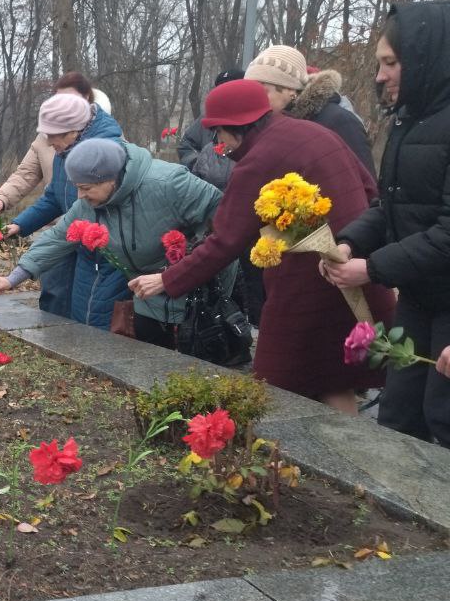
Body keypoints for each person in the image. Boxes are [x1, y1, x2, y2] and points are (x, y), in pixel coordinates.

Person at [128, 79, 394, 412]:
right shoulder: (316, 133)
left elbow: (225, 240)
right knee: (332, 379)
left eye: (219, 133)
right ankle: (342, 455)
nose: (219, 143)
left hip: (309, 285)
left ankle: (292, 456)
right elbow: (370, 189)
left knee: (276, 379)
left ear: (235, 126)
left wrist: (166, 280)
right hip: (352, 268)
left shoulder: (260, 158)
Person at [324, 2, 450, 443]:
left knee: (443, 416)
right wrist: (348, 244)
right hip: (420, 295)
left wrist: (372, 269)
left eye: (390, 63)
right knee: (397, 415)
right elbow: (389, 207)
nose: (379, 76)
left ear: (426, 59)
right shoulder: (408, 122)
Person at [0, 139, 224, 346]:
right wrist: (12, 278)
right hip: (147, 300)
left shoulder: (169, 182)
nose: (80, 196)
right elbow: (57, 238)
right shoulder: (88, 206)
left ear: (110, 179)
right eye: (76, 187)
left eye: (85, 187)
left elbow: (225, 221)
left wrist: (184, 268)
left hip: (198, 293)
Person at [3, 91, 124, 323]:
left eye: (52, 135)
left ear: (74, 130)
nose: (47, 142)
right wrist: (20, 225)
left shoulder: (106, 151)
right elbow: (53, 197)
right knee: (74, 313)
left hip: (104, 251)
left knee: (98, 319)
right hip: (75, 241)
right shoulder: (65, 152)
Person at [178, 69, 265, 326]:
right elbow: (187, 148)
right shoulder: (209, 143)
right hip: (220, 209)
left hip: (256, 223)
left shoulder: (258, 151)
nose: (220, 139)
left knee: (253, 276)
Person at [245, 44, 376, 179]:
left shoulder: (339, 122)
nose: (253, 100)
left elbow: (365, 183)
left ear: (290, 90)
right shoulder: (262, 128)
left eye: (261, 91)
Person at [0, 72, 100, 218]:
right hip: (56, 223)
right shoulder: (44, 138)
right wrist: (3, 198)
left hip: (94, 227)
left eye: (69, 99)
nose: (62, 105)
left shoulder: (104, 134)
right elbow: (26, 174)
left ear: (86, 97)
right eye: (58, 99)